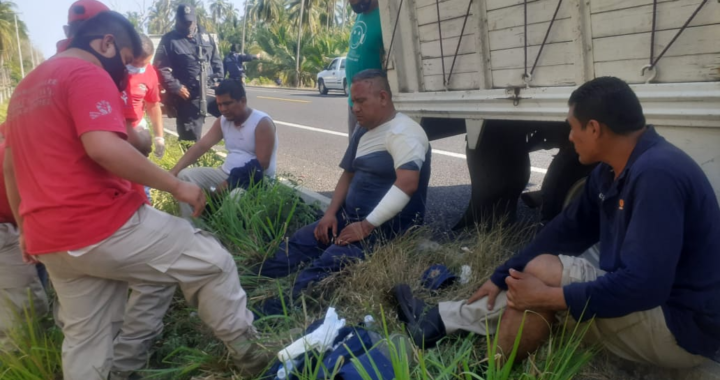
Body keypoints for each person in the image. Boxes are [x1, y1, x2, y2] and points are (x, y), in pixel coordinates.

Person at [4, 11, 273, 379]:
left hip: (49, 239)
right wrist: (177, 185)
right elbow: (102, 147)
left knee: (87, 337)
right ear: (106, 44)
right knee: (212, 262)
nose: (127, 72)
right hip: (99, 223)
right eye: (128, 61)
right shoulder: (86, 73)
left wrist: (24, 226)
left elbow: (11, 166)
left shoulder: (26, 88)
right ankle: (256, 361)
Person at [392, 77, 720, 369]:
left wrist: (550, 298)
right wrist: (502, 274)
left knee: (545, 275)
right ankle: (443, 321)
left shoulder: (656, 175)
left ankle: (489, 367)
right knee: (539, 270)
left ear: (594, 128)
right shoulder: (614, 169)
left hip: (680, 329)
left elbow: (645, 287)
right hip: (656, 303)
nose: (570, 136)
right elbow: (567, 230)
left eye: (572, 126)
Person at [257, 69, 431, 300]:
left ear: (383, 97)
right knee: (299, 242)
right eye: (352, 101)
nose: (354, 108)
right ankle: (250, 283)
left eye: (361, 101)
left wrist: (366, 226)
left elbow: (407, 184)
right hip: (349, 218)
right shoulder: (364, 130)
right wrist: (330, 214)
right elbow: (348, 175)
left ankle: (271, 312)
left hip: (385, 228)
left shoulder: (403, 133)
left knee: (327, 265)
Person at [170, 79, 279, 220]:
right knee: (184, 176)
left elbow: (262, 164)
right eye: (219, 104)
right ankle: (192, 226)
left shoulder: (261, 122)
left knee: (235, 196)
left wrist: (229, 183)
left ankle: (220, 232)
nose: (223, 109)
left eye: (227, 103)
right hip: (224, 174)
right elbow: (201, 146)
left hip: (254, 181)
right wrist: (174, 171)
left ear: (243, 101)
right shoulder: (223, 121)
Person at [0, 124, 50, 353]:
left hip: (18, 226)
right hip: (8, 231)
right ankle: (23, 361)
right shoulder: (20, 150)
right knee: (26, 308)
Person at [155, 4, 223, 142]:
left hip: (209, 91)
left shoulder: (205, 37)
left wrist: (219, 81)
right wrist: (176, 87)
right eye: (183, 22)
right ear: (177, 20)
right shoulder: (169, 40)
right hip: (187, 95)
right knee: (189, 138)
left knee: (234, 118)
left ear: (195, 20)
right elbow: (160, 68)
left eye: (190, 22)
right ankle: (191, 162)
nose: (187, 25)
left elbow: (216, 60)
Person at [345, 0, 384, 139]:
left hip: (370, 105)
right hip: (354, 101)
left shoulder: (385, 18)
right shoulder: (360, 15)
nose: (352, 3)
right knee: (355, 153)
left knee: (364, 155)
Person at [123, 34, 165, 159]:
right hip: (113, 130)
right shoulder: (110, 70)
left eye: (144, 64)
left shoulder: (149, 72)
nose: (140, 68)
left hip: (137, 127)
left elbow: (153, 104)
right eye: (136, 63)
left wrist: (159, 137)